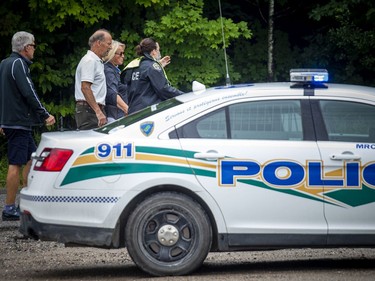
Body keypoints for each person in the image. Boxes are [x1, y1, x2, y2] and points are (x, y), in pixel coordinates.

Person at [0, 31, 55, 221]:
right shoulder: (18, 64)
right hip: (18, 123)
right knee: (15, 164)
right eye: (33, 45)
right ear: (26, 48)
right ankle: (9, 208)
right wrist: (45, 114)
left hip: (13, 122)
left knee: (33, 159)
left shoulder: (4, 63)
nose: (34, 49)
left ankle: (25, 201)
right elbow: (28, 92)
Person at [120, 38, 184, 114]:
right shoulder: (152, 66)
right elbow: (163, 89)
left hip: (134, 111)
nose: (159, 53)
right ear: (153, 51)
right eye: (158, 50)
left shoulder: (134, 65)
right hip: (149, 111)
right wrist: (184, 96)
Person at [75, 29, 112, 129]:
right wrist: (98, 112)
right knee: (89, 142)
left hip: (92, 109)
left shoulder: (96, 61)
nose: (111, 47)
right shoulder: (90, 61)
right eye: (109, 43)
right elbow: (85, 87)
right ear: (98, 43)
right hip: (89, 110)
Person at [103, 40, 128, 122]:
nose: (123, 56)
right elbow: (112, 93)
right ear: (112, 53)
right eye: (120, 53)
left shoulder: (115, 70)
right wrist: (127, 109)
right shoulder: (108, 71)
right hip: (114, 116)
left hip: (118, 114)